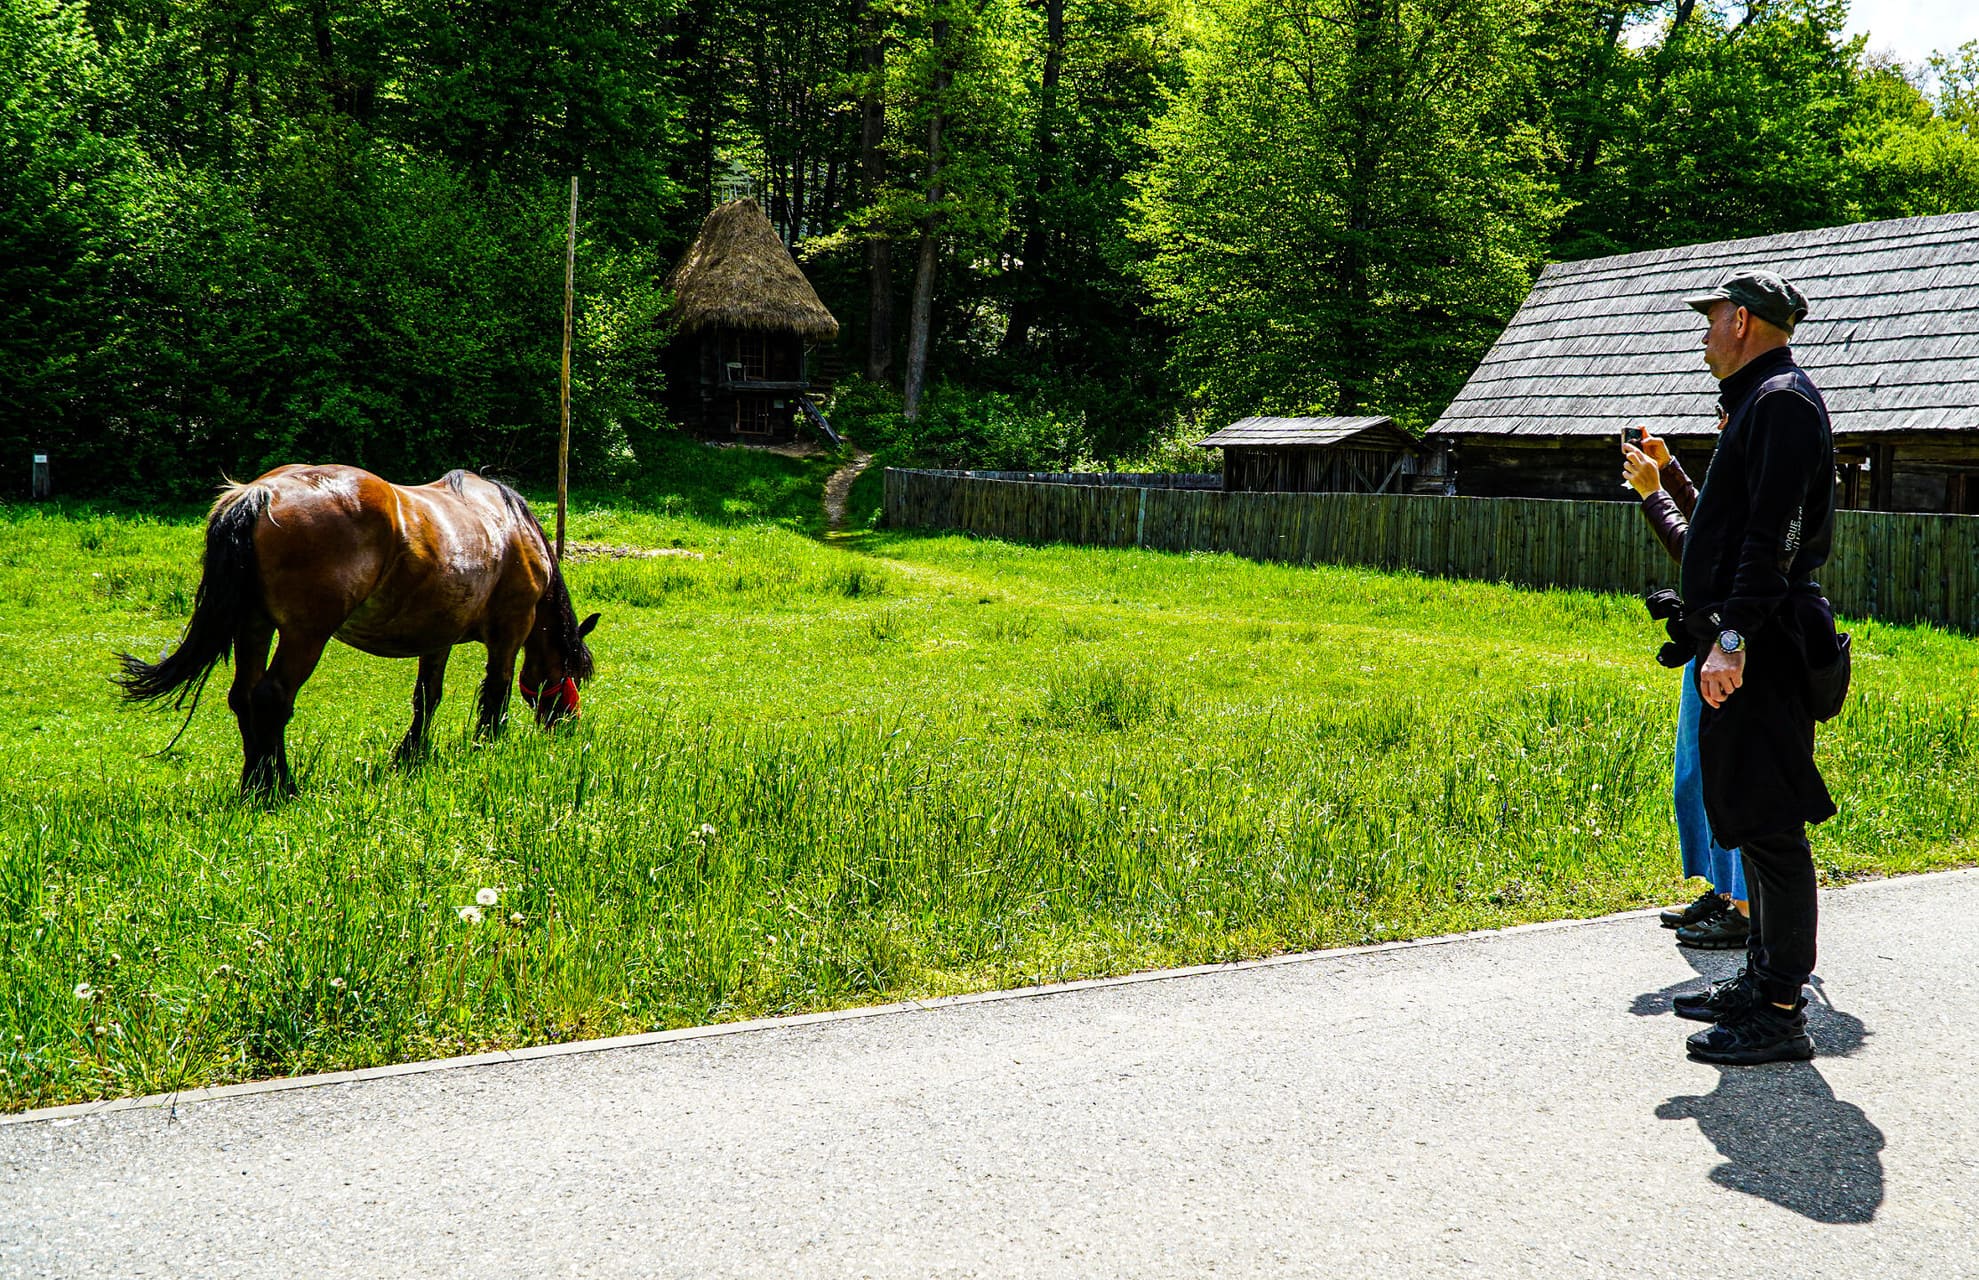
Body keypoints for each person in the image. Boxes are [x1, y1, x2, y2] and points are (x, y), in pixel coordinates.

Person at [1644, 269, 1840, 1065]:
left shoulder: (1782, 400)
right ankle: (1759, 979)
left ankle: (1781, 1006)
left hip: (1760, 644)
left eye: (1711, 315)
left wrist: (1731, 637)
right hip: (1743, 636)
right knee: (1748, 819)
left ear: (1745, 322)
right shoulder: (1762, 399)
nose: (1702, 331)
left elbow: (1776, 534)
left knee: (1769, 828)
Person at [1623, 423, 1750, 952]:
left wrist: (1654, 494)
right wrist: (1671, 471)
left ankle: (1746, 907)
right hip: (1708, 642)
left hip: (1736, 645)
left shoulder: (1761, 459)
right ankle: (1724, 893)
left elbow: (1703, 554)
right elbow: (1712, 527)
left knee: (1730, 775)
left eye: (1726, 411)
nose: (1720, 420)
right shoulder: (1739, 454)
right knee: (1694, 774)